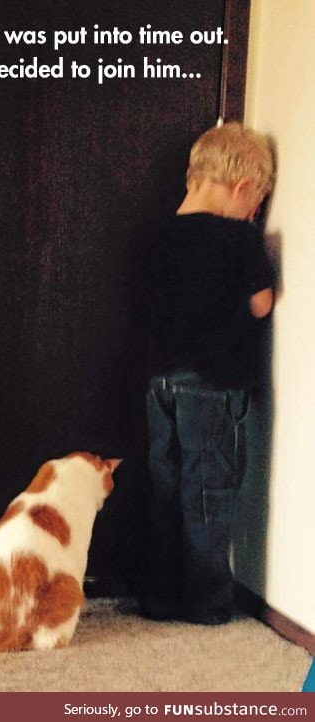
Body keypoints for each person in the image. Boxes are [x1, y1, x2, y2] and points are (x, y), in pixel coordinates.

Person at [142, 122, 275, 624]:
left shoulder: (157, 235)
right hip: (212, 386)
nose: (255, 212)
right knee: (208, 488)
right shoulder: (237, 237)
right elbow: (261, 305)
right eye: (256, 202)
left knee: (165, 482)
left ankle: (158, 595)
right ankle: (206, 599)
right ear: (242, 189)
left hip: (160, 383)